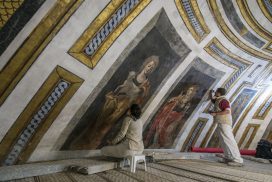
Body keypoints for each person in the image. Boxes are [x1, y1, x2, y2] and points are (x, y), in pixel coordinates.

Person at [70, 56, 159, 149]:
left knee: (107, 125)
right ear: (145, 65)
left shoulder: (146, 85)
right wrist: (117, 92)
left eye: (152, 68)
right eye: (149, 66)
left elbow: (139, 101)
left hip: (123, 107)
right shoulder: (132, 74)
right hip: (115, 99)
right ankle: (82, 142)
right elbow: (122, 85)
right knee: (98, 121)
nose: (149, 69)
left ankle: (91, 146)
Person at [208, 88, 243, 167]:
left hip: (225, 122)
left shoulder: (224, 100)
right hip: (221, 122)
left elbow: (227, 111)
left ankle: (238, 160)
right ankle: (228, 157)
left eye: (216, 92)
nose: (215, 93)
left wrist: (215, 113)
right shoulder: (218, 100)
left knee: (229, 140)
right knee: (224, 140)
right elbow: (213, 101)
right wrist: (210, 94)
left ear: (219, 93)